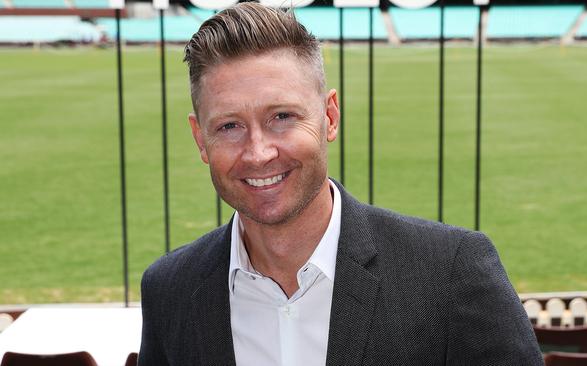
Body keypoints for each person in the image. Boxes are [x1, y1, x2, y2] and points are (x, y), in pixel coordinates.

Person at [138, 3, 543, 365]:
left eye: (282, 117)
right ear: (200, 140)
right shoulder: (169, 290)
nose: (258, 152)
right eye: (229, 126)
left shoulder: (452, 272)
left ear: (330, 117)